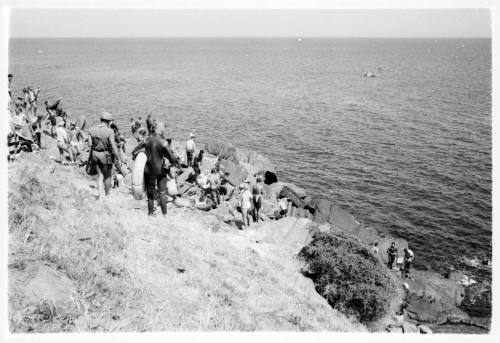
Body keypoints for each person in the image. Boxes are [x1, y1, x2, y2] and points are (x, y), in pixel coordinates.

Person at [131, 122, 180, 216]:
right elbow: (172, 157)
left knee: (150, 194)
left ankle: (150, 214)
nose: (163, 130)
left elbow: (134, 151)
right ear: (158, 129)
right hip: (160, 171)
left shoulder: (146, 140)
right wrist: (176, 164)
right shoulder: (163, 142)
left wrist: (136, 159)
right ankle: (164, 215)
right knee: (162, 193)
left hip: (149, 170)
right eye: (162, 128)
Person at [88, 112, 123, 200]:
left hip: (95, 154)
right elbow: (113, 146)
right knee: (107, 176)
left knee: (100, 175)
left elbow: (89, 144)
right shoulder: (110, 131)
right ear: (109, 122)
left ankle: (100, 196)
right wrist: (118, 158)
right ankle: (107, 195)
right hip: (106, 156)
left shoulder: (91, 129)